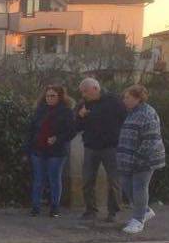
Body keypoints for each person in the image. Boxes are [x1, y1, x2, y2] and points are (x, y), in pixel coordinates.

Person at [75, 78, 127, 221]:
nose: (83, 95)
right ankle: (90, 210)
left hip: (111, 147)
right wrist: (80, 116)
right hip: (91, 147)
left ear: (95, 88)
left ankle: (113, 212)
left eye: (85, 91)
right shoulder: (83, 105)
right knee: (87, 180)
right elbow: (76, 126)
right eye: (82, 92)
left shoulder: (113, 101)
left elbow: (125, 119)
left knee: (114, 180)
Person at [117, 85, 167, 235]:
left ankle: (138, 220)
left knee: (139, 187)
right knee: (126, 184)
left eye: (127, 97)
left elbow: (151, 139)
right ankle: (144, 210)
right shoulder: (132, 113)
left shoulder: (147, 113)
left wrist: (138, 158)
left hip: (144, 160)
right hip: (128, 159)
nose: (124, 100)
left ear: (137, 98)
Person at [23, 85, 75, 217]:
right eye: (47, 96)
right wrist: (27, 149)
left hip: (56, 151)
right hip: (38, 149)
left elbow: (71, 132)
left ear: (60, 97)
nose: (50, 98)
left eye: (53, 96)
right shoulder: (39, 110)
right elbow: (31, 130)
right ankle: (35, 207)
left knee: (54, 179)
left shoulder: (66, 112)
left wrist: (57, 138)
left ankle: (55, 207)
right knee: (38, 179)